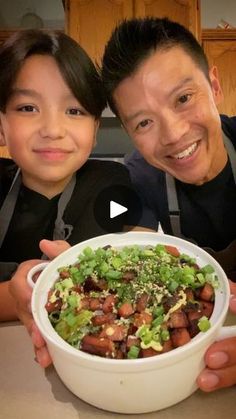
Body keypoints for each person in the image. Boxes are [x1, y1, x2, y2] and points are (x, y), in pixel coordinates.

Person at [100, 17, 236, 391]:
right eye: (144, 123)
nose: (174, 134)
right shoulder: (131, 180)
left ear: (214, 85)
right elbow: (137, 258)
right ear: (129, 133)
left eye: (183, 98)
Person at [0, 29, 149, 320]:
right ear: (1, 125)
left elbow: (81, 278)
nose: (53, 130)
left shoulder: (110, 182)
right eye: (28, 108)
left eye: (74, 110)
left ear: (94, 130)